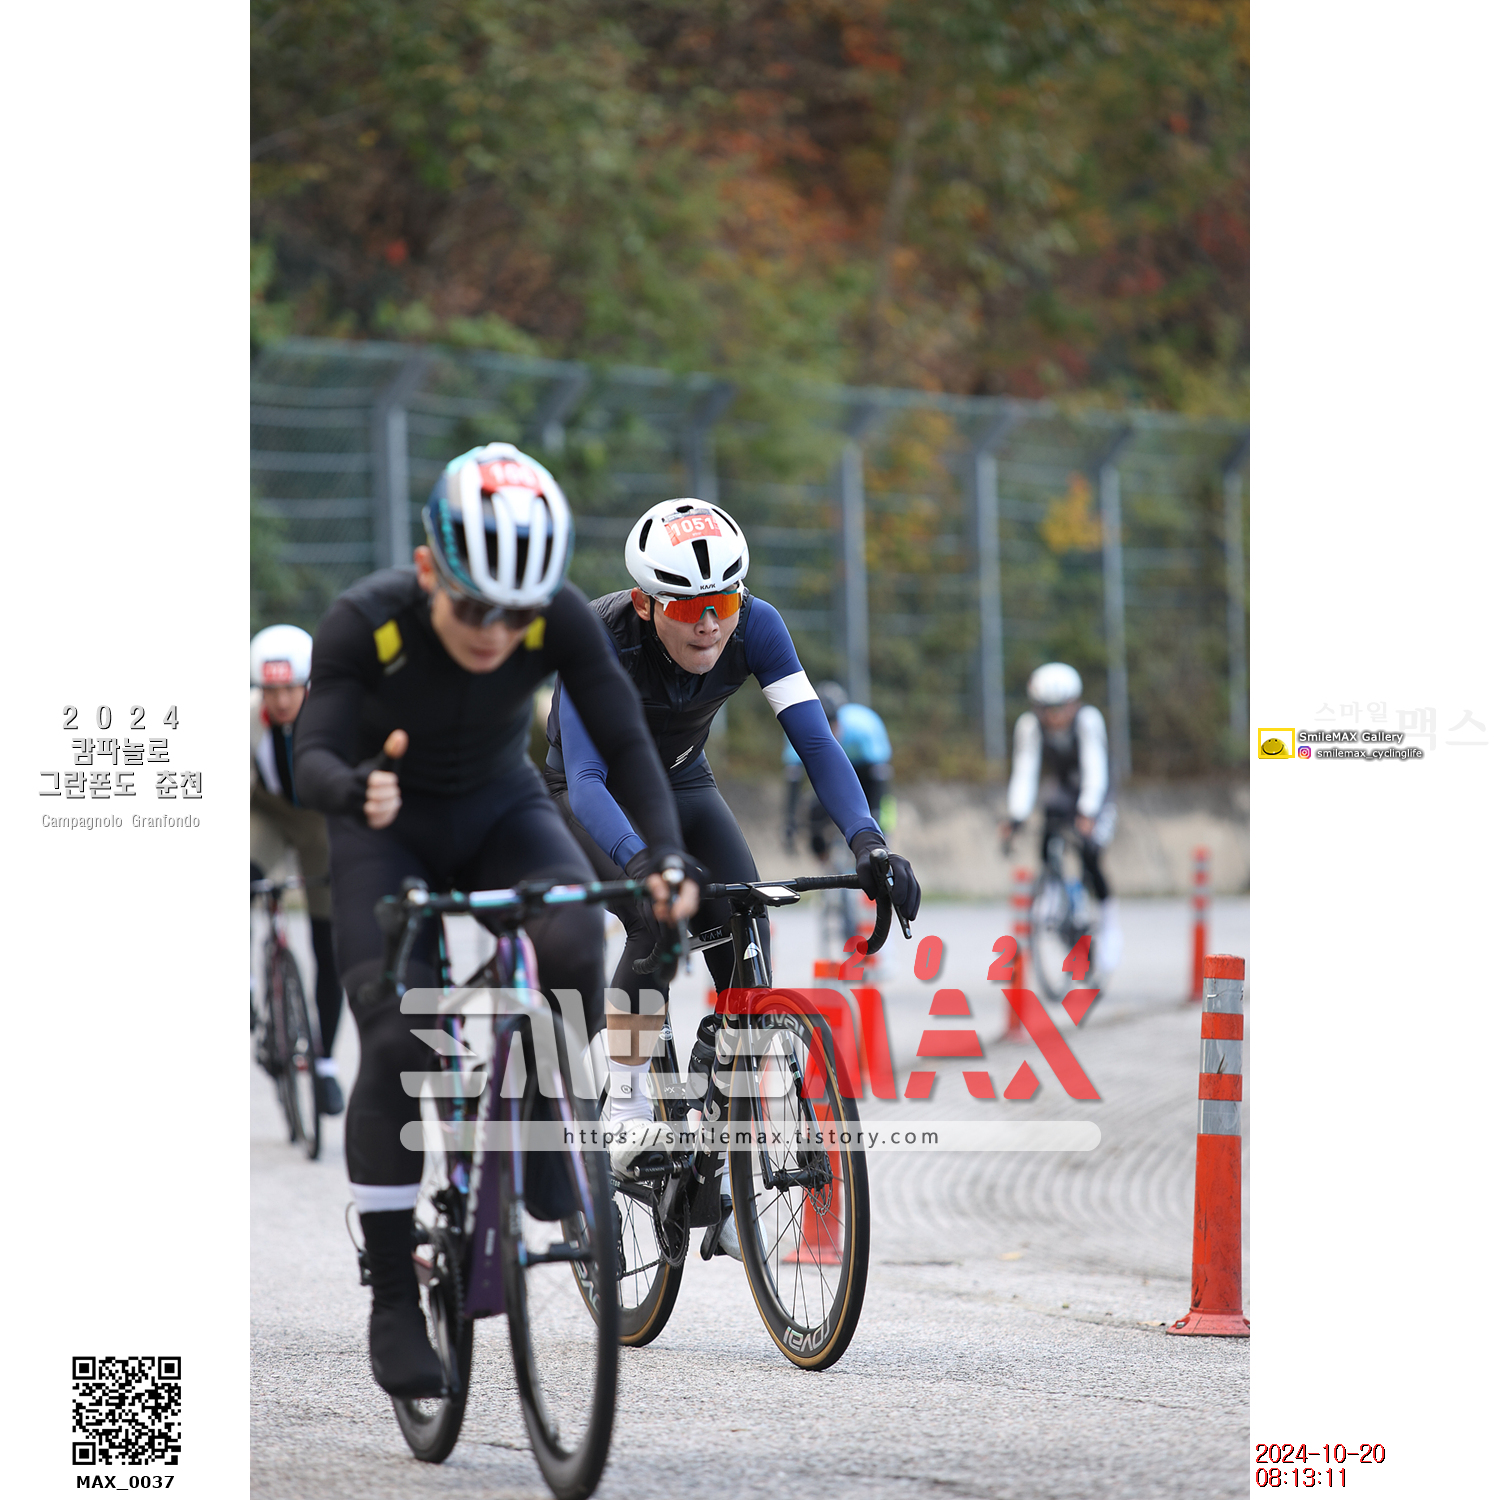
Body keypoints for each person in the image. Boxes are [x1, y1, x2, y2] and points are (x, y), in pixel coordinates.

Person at [293, 443, 697, 1399]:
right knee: (400, 1039)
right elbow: (310, 751)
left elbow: (627, 738)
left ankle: (545, 1119)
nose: (496, 632)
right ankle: (395, 1294)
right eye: (476, 608)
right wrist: (352, 787)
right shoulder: (367, 621)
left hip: (499, 809)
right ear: (429, 570)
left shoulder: (553, 616)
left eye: (515, 615)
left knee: (575, 939)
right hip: (383, 822)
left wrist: (665, 858)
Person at [542, 498, 921, 1256]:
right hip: (592, 794)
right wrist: (643, 863)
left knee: (746, 926)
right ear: (647, 604)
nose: (710, 624)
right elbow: (584, 779)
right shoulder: (598, 637)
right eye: (690, 608)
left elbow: (816, 742)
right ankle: (624, 1106)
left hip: (684, 780)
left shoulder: (758, 626)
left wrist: (869, 843)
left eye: (724, 602)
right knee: (654, 920)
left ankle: (716, 1168)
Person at [250, 625, 344, 1116]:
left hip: (317, 820)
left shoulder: (332, 715)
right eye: (271, 690)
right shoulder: (246, 719)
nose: (281, 700)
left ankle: (325, 1064)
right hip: (264, 811)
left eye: (290, 688)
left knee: (330, 942)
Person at [1000, 662, 1122, 971]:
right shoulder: (1029, 725)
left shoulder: (1088, 720)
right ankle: (1053, 889)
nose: (1054, 717)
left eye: (1060, 708)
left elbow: (1095, 768)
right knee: (1049, 815)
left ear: (1074, 703)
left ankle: (1108, 923)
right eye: (1046, 709)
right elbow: (1025, 772)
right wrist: (1015, 816)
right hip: (1065, 789)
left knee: (1090, 851)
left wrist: (1088, 811)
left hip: (1097, 789)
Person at [782, 681, 897, 855]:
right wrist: (790, 821)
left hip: (866, 772)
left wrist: (877, 817)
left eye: (832, 725)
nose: (829, 732)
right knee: (814, 819)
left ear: (840, 719)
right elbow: (794, 777)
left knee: (879, 822)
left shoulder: (863, 726)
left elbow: (880, 776)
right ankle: (827, 862)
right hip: (831, 772)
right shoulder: (799, 729)